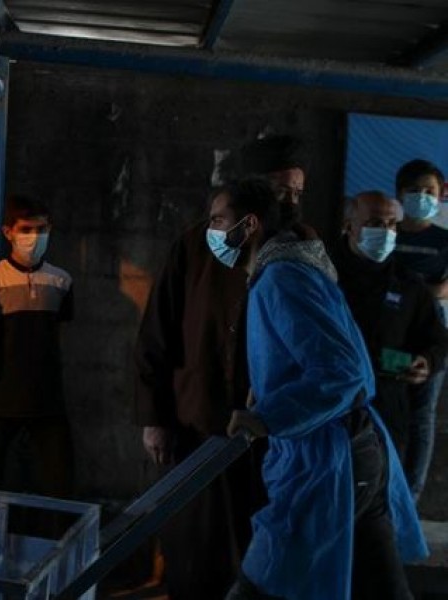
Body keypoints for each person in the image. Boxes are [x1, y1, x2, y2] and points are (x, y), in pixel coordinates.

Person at [217, 177, 427, 599]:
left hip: (326, 456)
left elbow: (342, 372)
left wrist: (268, 417)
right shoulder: (294, 269)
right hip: (354, 452)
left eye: (219, 220)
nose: (213, 230)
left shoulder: (281, 278)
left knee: (265, 579)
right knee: (377, 581)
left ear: (250, 224)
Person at [133, 135, 306, 599]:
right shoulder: (197, 245)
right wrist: (155, 416)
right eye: (279, 190)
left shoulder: (300, 253)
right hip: (197, 424)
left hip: (268, 437)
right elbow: (157, 334)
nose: (289, 201)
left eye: (296, 192)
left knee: (256, 554)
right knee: (195, 551)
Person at [331, 190, 448, 461]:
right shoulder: (323, 277)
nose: (384, 231)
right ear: (349, 226)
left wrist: (426, 361)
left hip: (387, 410)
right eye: (374, 223)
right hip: (331, 407)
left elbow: (437, 339)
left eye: (391, 224)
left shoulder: (408, 284)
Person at [0, 194, 74, 500]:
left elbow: (60, 333)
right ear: (8, 232)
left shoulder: (61, 281)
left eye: (41, 230)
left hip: (47, 397)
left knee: (59, 482)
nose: (34, 238)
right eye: (26, 230)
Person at [393, 158, 448, 500]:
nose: (422, 196)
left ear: (441, 195)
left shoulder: (444, 240)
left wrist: (408, 294)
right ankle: (384, 491)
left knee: (422, 413)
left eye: (429, 191)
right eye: (414, 190)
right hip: (390, 334)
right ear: (399, 194)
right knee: (387, 402)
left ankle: (410, 497)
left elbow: (444, 290)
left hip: (430, 336)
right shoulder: (385, 232)